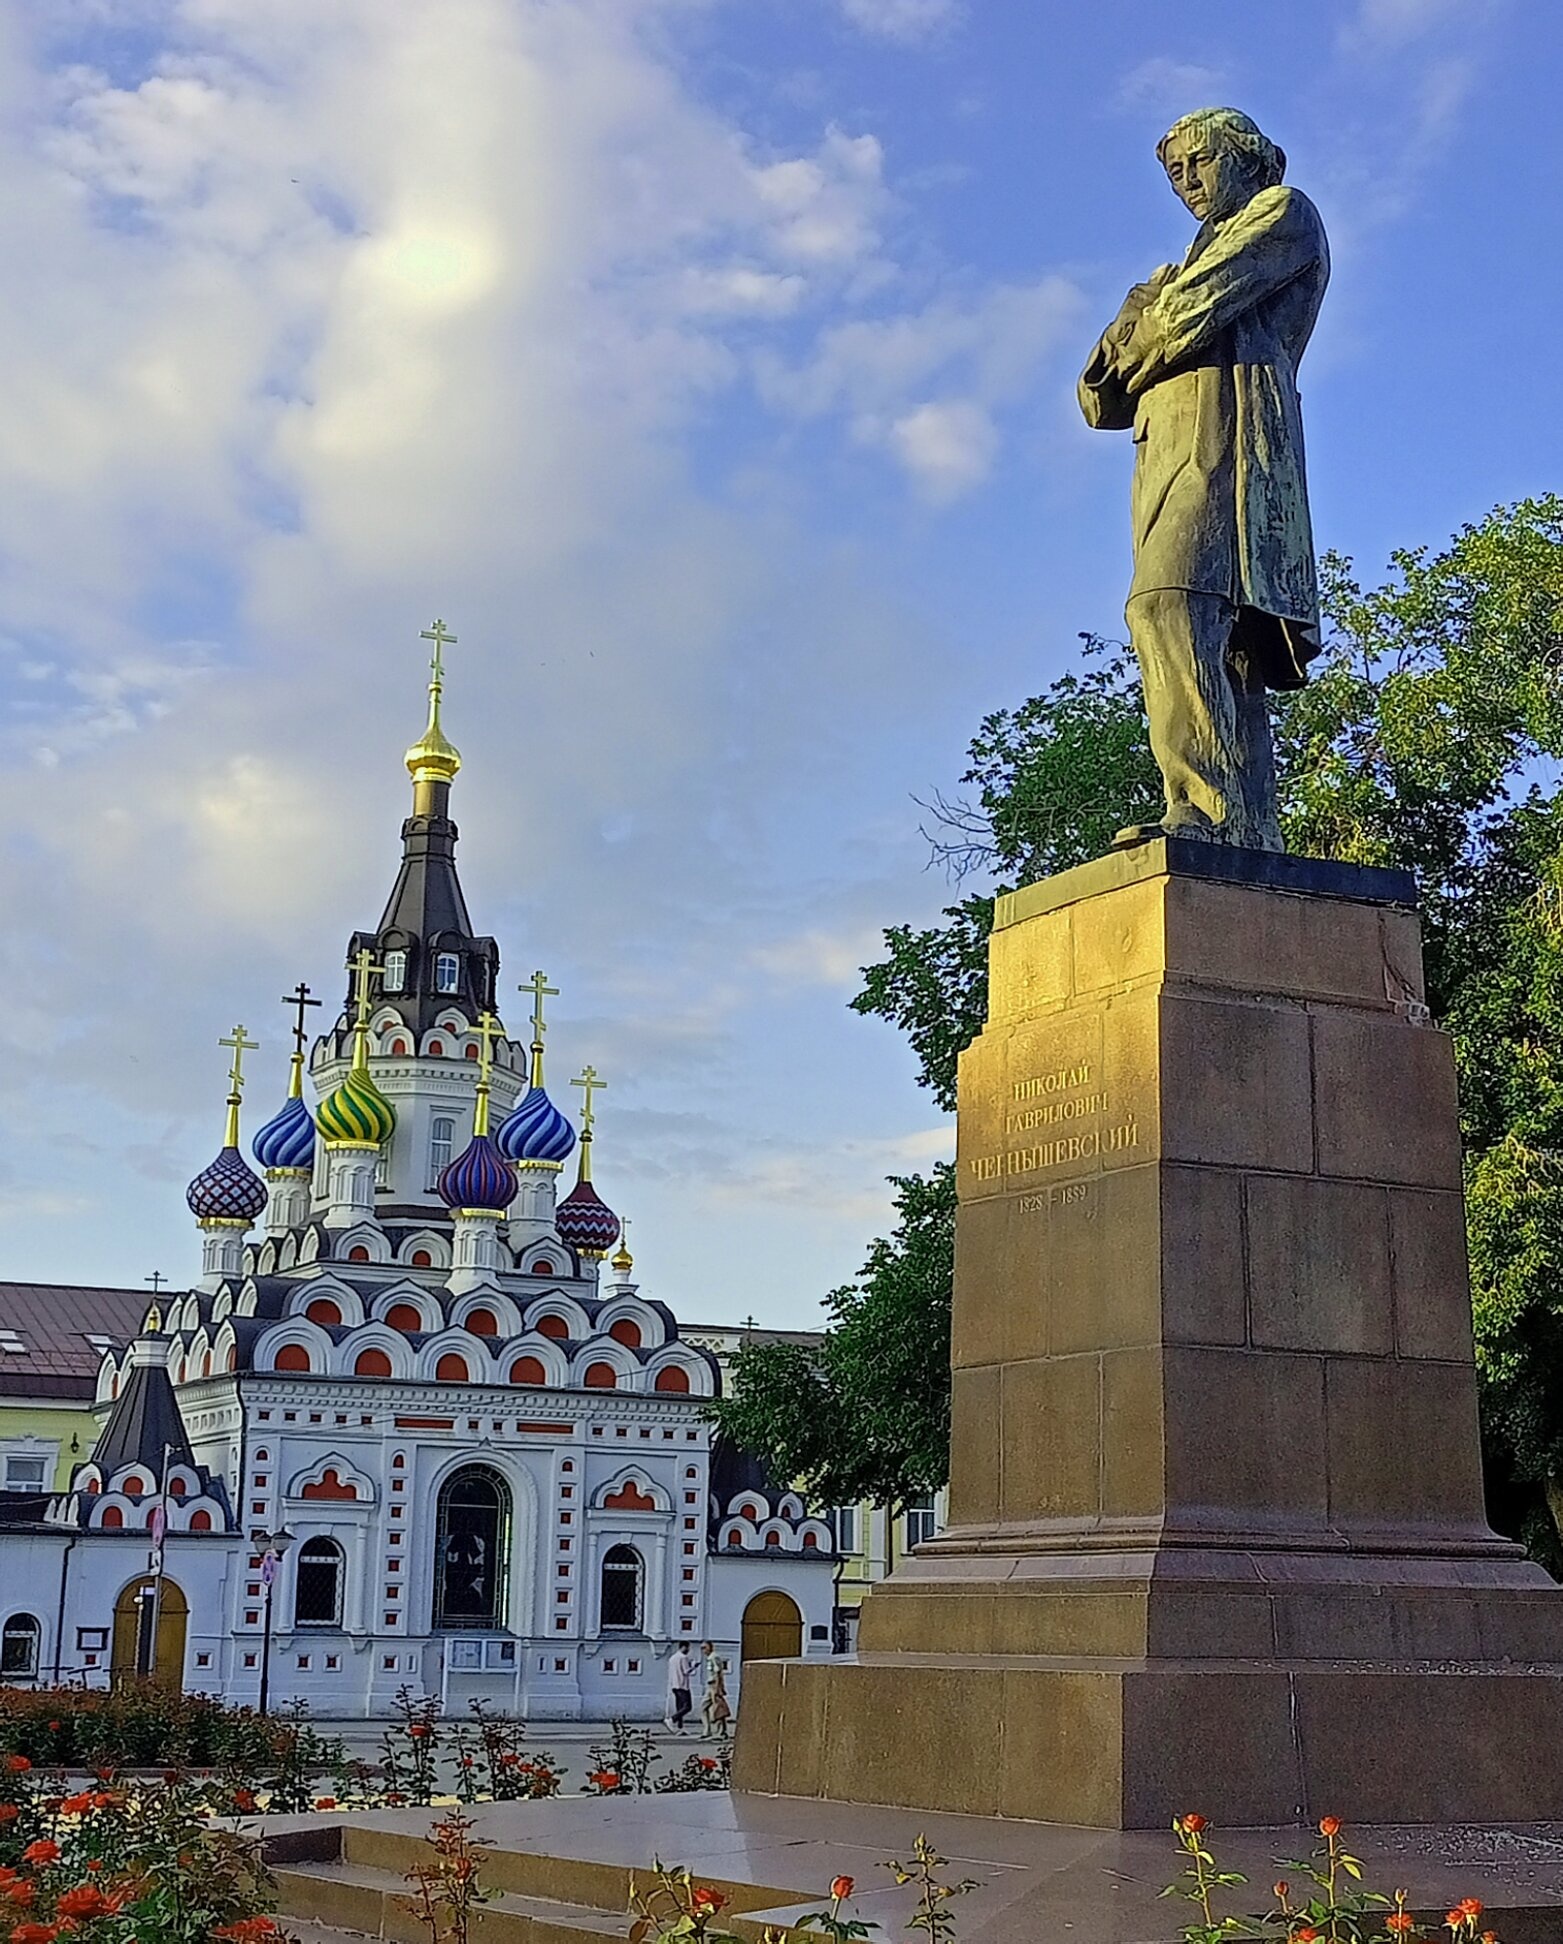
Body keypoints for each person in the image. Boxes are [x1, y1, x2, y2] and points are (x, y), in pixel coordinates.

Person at [1078, 108, 1329, 852]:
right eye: (1173, 171)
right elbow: (1099, 398)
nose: (1185, 180)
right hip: (1165, 454)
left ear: (1247, 157)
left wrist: (1144, 317)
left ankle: (1205, 812)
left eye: (1199, 161)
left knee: (1165, 604)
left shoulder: (1279, 213)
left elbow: (1186, 317)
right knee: (1223, 651)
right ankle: (1249, 834)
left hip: (1233, 444)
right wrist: (1138, 321)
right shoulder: (1193, 255)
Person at [664, 1644, 694, 1734]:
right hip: (683, 1685)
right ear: (683, 1647)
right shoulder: (683, 1658)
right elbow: (686, 1671)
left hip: (674, 1685)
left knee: (679, 1706)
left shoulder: (672, 1658)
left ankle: (679, 1727)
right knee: (687, 1707)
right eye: (688, 1647)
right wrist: (693, 1666)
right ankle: (672, 1720)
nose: (688, 1650)